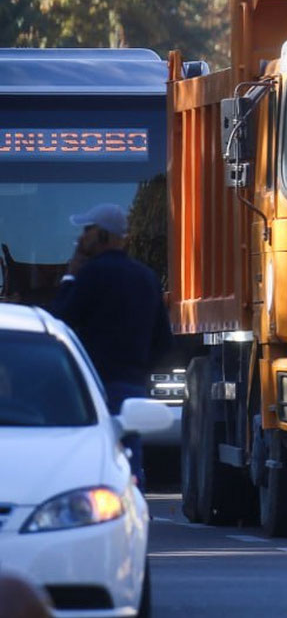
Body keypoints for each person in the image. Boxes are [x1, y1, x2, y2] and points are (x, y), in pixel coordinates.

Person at [49, 203, 171, 485]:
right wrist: (138, 369)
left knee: (90, 455)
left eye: (87, 231)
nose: (81, 238)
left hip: (94, 386)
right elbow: (164, 341)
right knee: (129, 455)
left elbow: (60, 319)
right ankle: (131, 506)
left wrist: (70, 275)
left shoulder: (92, 274)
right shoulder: (147, 277)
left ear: (103, 236)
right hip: (132, 385)